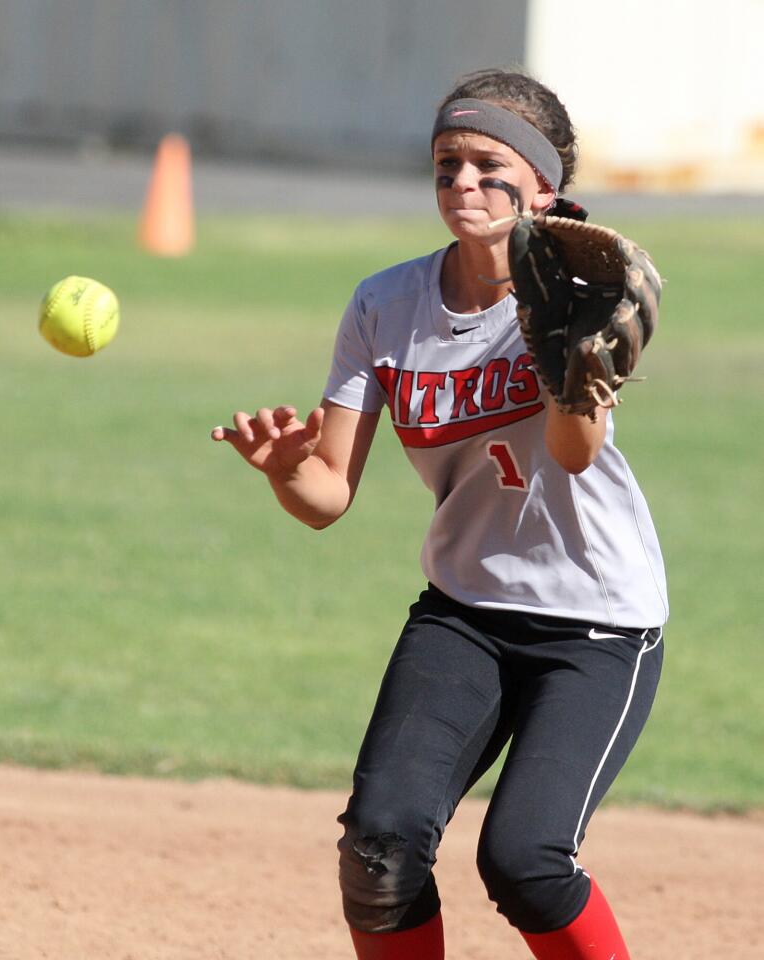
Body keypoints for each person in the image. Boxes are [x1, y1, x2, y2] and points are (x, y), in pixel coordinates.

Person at [211, 67, 667, 960]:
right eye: (447, 164)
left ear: (544, 185)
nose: (464, 182)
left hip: (597, 626)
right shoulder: (387, 304)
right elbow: (328, 497)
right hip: (464, 611)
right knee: (379, 848)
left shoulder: (577, 291)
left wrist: (572, 368)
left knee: (525, 858)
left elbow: (574, 455)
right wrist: (282, 469)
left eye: (491, 165)